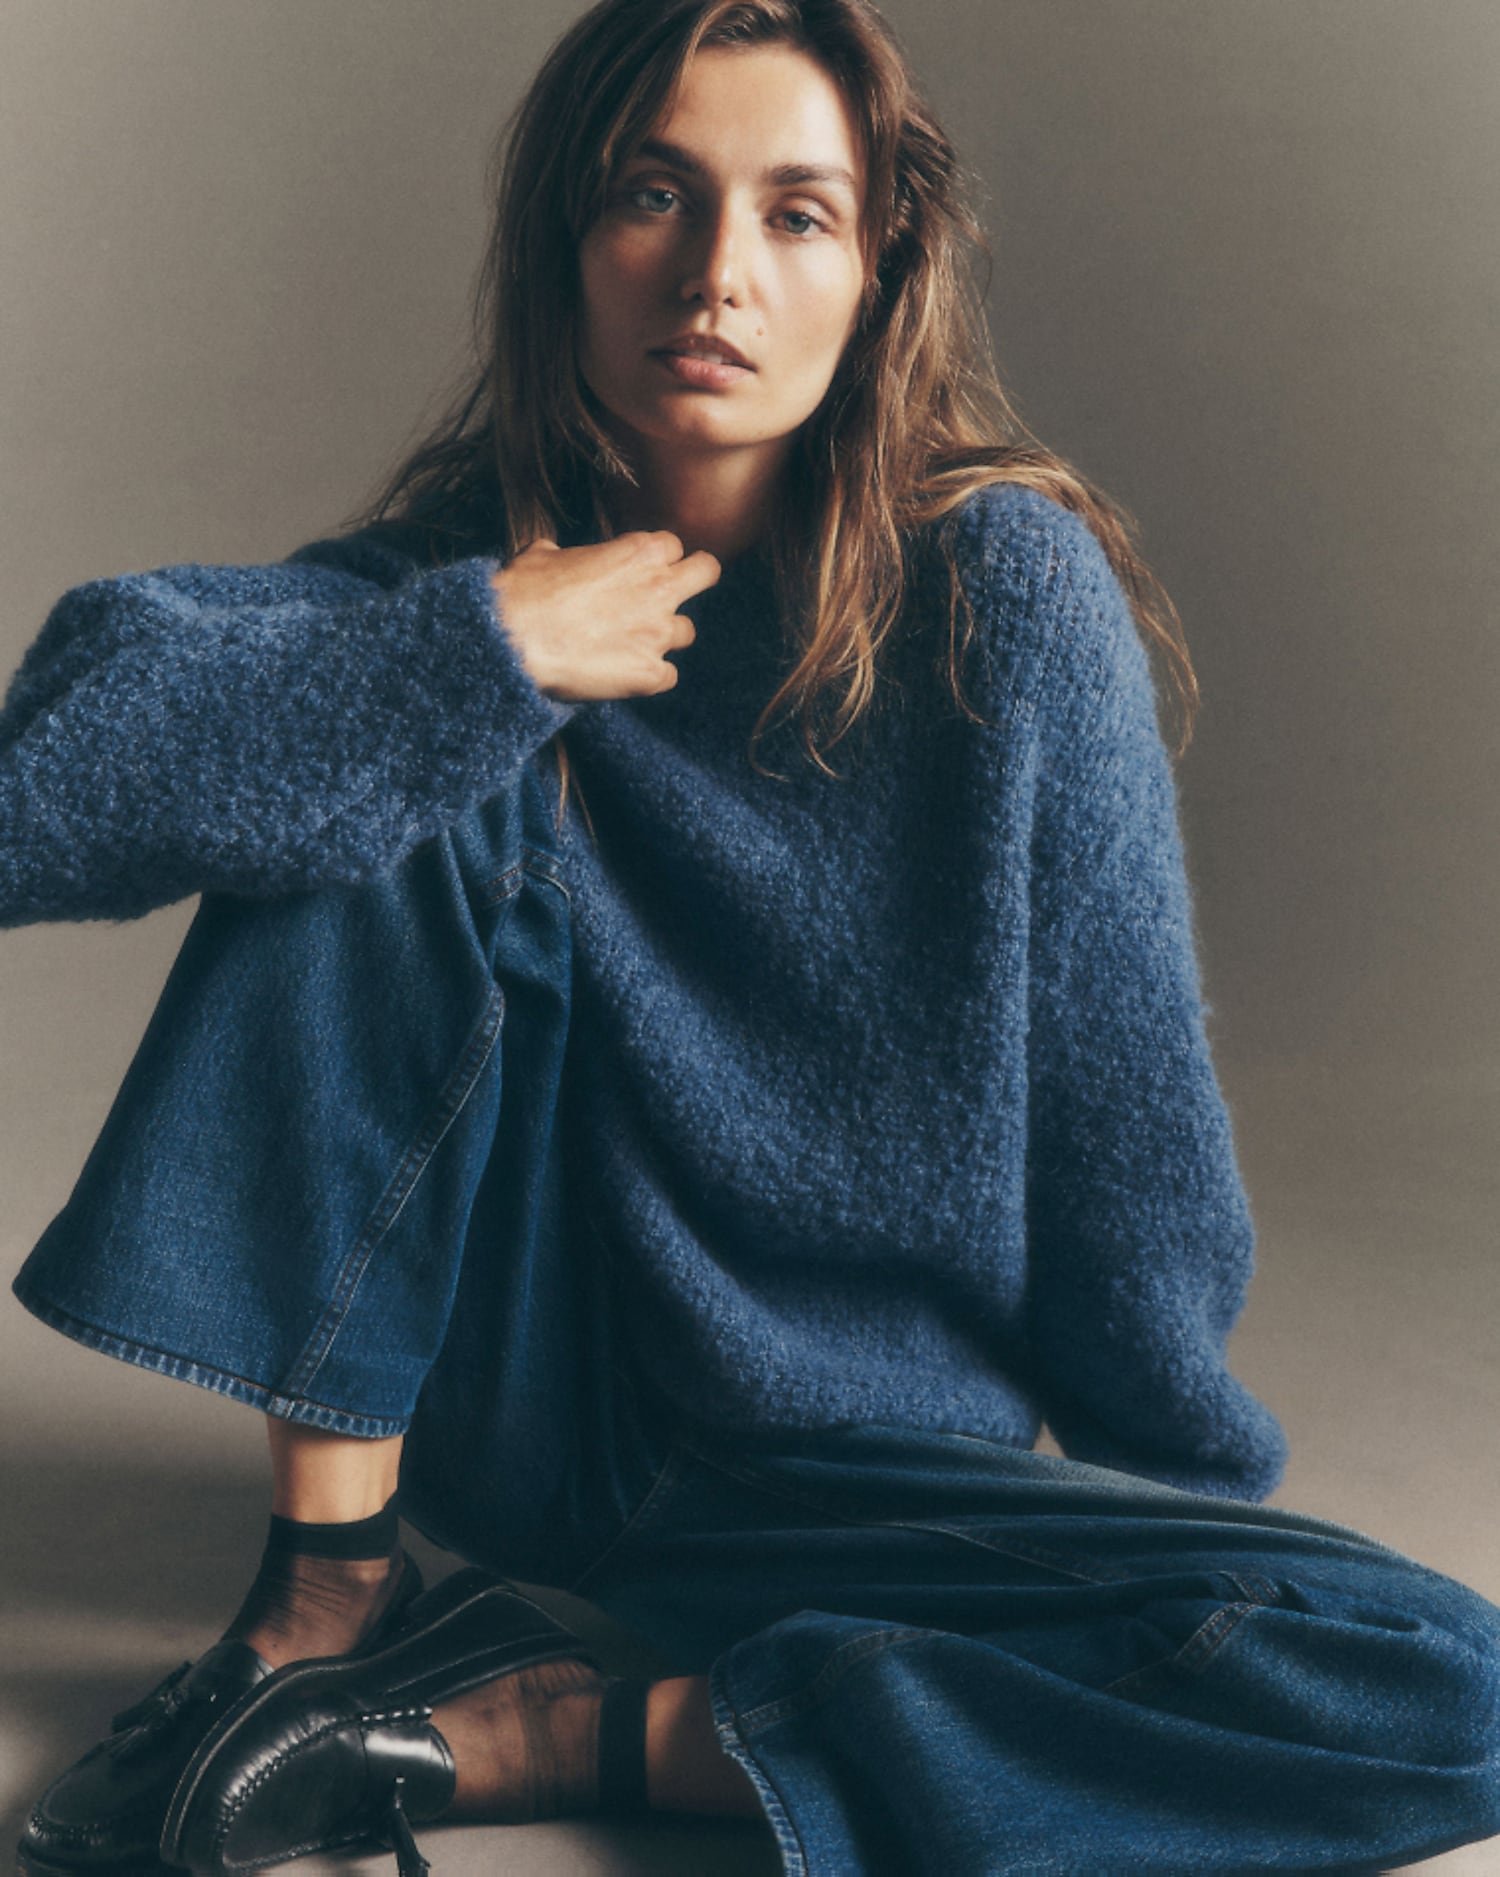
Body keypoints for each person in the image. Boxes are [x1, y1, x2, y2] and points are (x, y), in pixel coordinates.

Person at [5, 0, 1499, 1871]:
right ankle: (329, 1597)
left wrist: (1140, 1553)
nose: (718, 273)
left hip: (844, 1469)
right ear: (570, 240)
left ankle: (558, 1734)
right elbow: (38, 792)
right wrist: (475, 658)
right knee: (399, 735)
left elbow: (1130, 1134)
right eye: (656, 193)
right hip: (539, 1411)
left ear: (880, 273)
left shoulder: (1000, 601)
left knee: (1453, 1684)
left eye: (797, 214)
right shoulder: (477, 576)